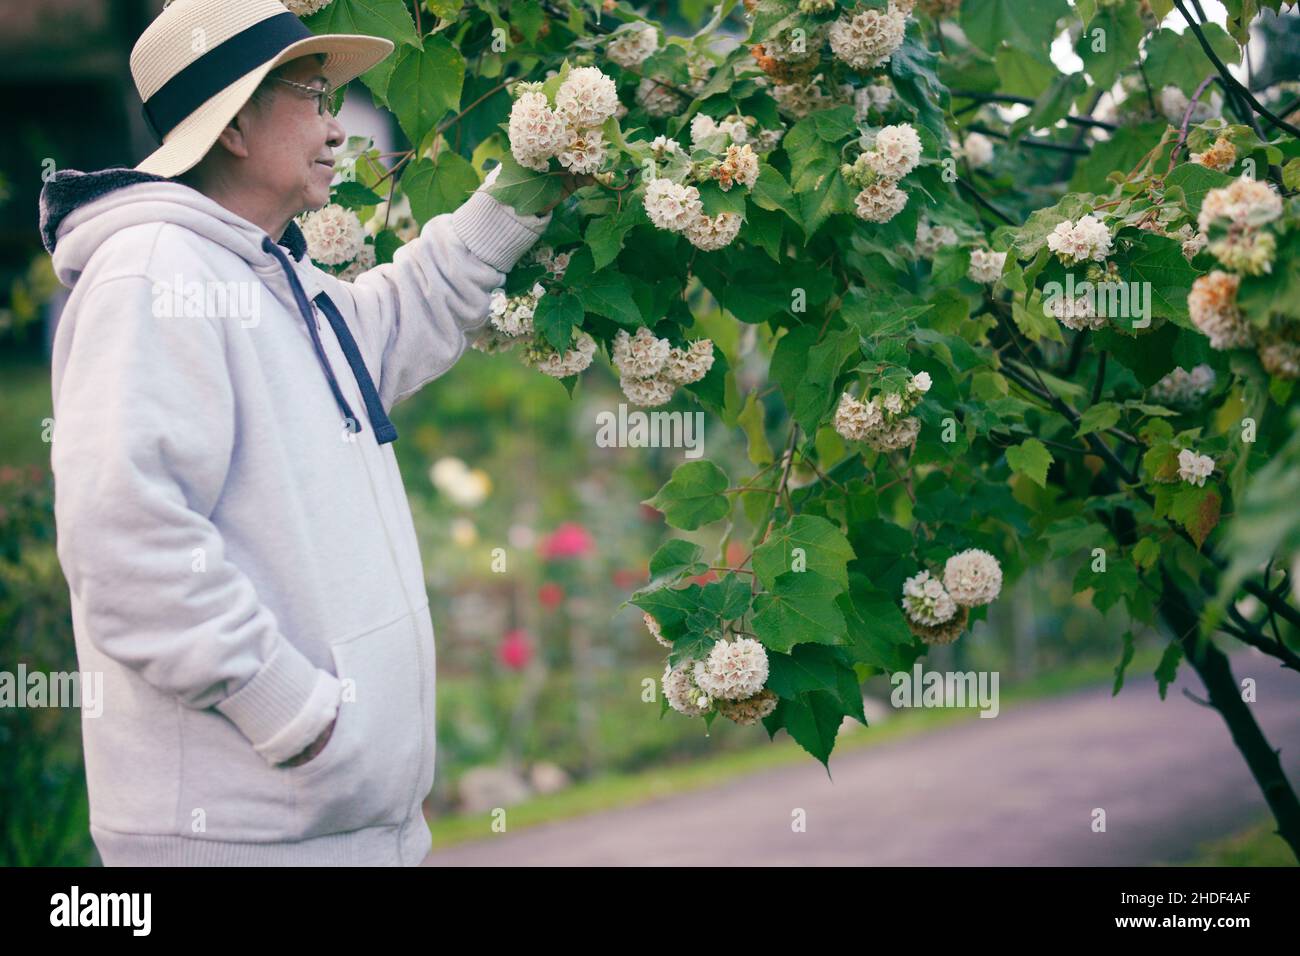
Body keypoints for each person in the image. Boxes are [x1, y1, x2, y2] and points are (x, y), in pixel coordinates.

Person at [37, 0, 581, 865]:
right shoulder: (153, 276)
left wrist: (533, 175)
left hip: (333, 828)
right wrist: (293, 713)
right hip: (246, 835)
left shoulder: (268, 274)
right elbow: (124, 540)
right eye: (310, 96)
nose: (336, 129)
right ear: (236, 126)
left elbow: (406, 312)